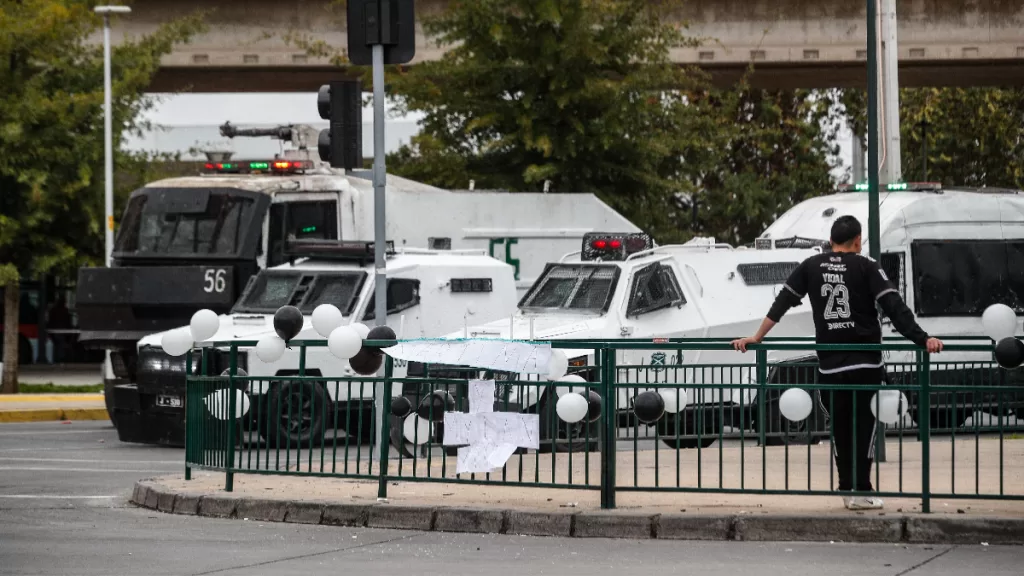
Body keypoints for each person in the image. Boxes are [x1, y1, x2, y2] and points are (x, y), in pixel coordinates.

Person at [731, 215, 943, 511]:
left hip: (829, 367)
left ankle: (847, 488)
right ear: (857, 240)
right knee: (864, 429)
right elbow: (894, 306)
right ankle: (863, 490)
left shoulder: (811, 266)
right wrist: (923, 339)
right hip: (864, 365)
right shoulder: (868, 266)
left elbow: (783, 301)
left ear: (831, 241)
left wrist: (757, 336)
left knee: (840, 429)